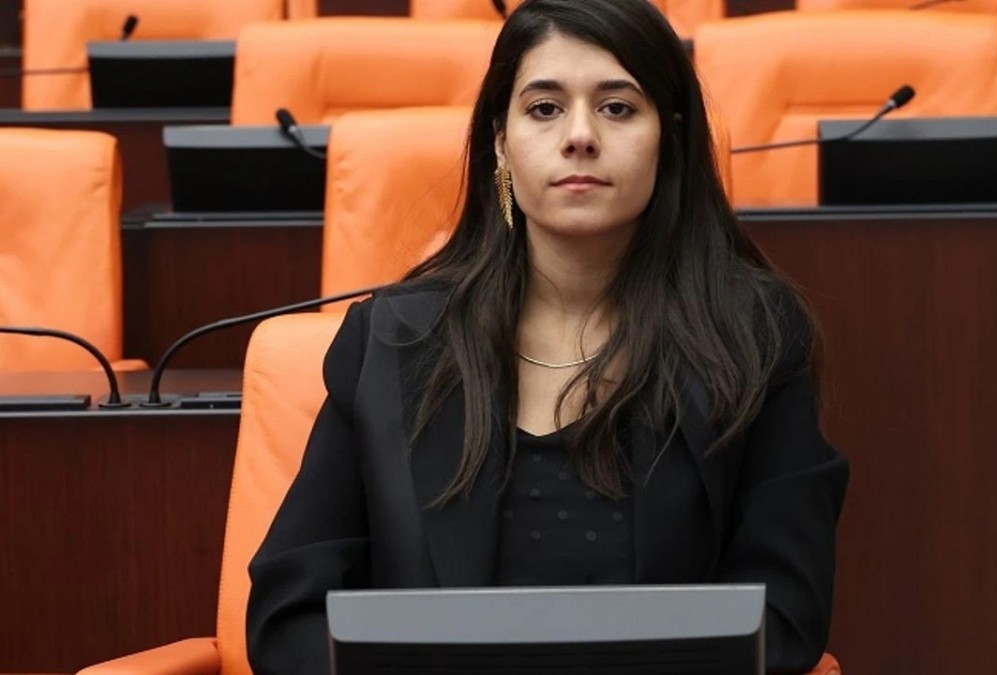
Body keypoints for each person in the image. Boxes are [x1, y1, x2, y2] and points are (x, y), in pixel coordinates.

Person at [245, 0, 849, 673]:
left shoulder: (755, 339)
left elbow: (785, 615)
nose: (580, 135)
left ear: (670, 137)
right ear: (501, 143)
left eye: (617, 107)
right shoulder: (391, 343)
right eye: (544, 108)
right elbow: (288, 617)